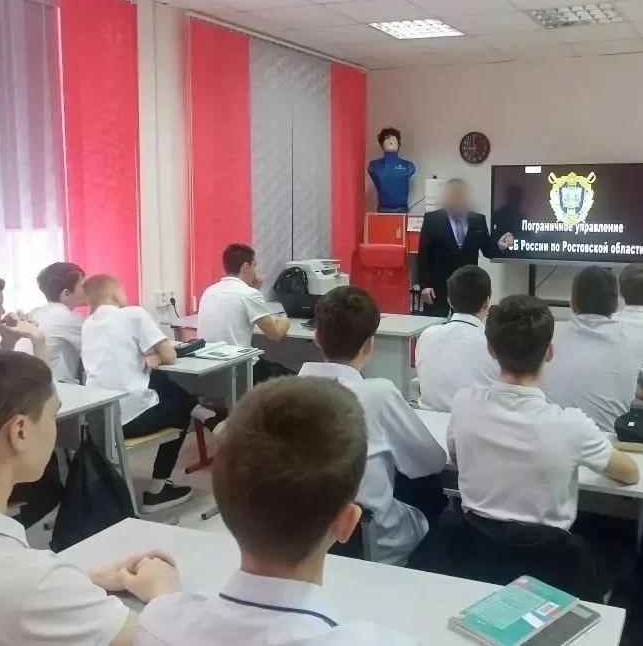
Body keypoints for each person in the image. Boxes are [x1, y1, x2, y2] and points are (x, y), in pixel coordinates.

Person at [135, 377, 419, 645]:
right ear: (347, 523)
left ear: (223, 503)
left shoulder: (156, 626)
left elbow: (169, 621)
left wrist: (165, 599)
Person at [0, 347, 181, 646]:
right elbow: (160, 640)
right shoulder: (25, 582)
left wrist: (81, 582)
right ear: (20, 431)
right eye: (54, 415)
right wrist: (165, 594)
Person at [448, 295, 639, 532]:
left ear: (491, 350)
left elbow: (456, 458)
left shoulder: (463, 405)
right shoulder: (572, 425)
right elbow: (631, 474)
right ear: (549, 352)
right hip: (549, 553)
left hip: (475, 547)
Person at [298, 287, 447, 566]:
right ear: (369, 345)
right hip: (373, 542)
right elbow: (432, 462)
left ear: (317, 337)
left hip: (303, 540)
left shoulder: (284, 395)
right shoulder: (379, 394)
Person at [81, 274, 226, 513]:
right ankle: (157, 492)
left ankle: (206, 415)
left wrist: (149, 357)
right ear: (115, 292)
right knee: (179, 410)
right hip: (128, 421)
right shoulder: (133, 314)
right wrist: (156, 355)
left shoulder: (88, 325)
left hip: (100, 420)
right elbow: (170, 355)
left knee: (158, 379)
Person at [542, 267, 643, 433]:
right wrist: (630, 388)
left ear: (572, 303)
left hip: (548, 440)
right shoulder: (635, 340)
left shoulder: (546, 335)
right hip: (605, 445)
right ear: (616, 304)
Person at [417, 178, 515, 317]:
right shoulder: (432, 219)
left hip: (468, 287)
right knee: (435, 323)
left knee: (467, 324)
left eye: (459, 195)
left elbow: (487, 250)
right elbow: (424, 255)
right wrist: (424, 286)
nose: (456, 199)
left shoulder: (477, 220)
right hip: (438, 287)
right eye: (452, 195)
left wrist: (500, 246)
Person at [198, 243, 291, 382]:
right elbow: (275, 334)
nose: (255, 271)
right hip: (240, 370)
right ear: (246, 267)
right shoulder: (249, 294)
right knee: (295, 378)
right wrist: (285, 320)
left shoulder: (209, 291)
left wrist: (253, 290)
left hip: (211, 370)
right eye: (254, 266)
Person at [414, 265, 498, 411]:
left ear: (449, 301)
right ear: (486, 303)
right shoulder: (495, 343)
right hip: (476, 422)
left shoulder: (427, 335)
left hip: (428, 420)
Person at [29, 262, 88, 383]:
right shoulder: (67, 319)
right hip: (56, 386)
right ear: (66, 294)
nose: (87, 290)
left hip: (32, 383)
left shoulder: (35, 313)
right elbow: (99, 344)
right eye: (83, 286)